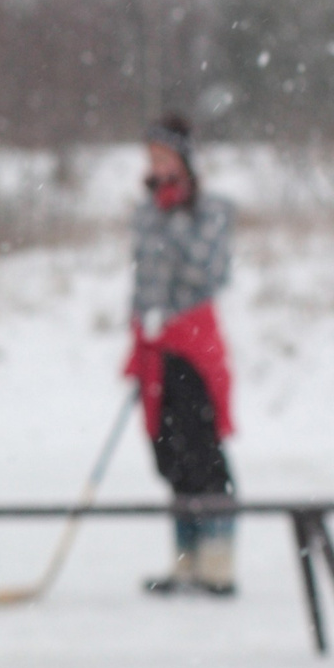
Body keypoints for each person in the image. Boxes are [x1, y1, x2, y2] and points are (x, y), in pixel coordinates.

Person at [126, 113, 237, 596]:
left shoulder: (210, 211)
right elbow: (142, 277)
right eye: (151, 158)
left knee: (203, 451)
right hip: (155, 347)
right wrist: (139, 323)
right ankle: (186, 560)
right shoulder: (144, 212)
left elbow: (207, 272)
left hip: (193, 344)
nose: (157, 167)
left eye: (164, 158)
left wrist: (174, 220)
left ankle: (218, 560)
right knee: (169, 453)